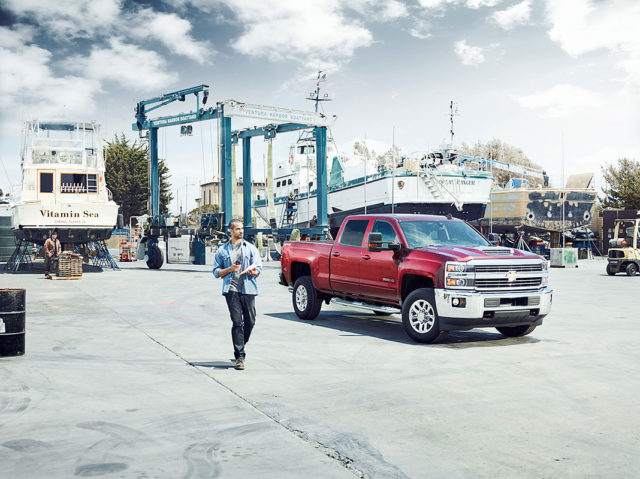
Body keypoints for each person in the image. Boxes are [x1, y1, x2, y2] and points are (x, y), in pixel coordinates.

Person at [212, 219, 262, 370]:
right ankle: (240, 356)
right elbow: (216, 272)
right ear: (230, 231)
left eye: (242, 229)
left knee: (250, 321)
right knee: (237, 322)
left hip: (248, 289)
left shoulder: (251, 248)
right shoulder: (222, 251)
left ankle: (240, 343)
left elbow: (258, 268)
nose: (241, 231)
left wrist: (254, 272)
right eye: (238, 229)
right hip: (231, 291)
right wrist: (230, 269)